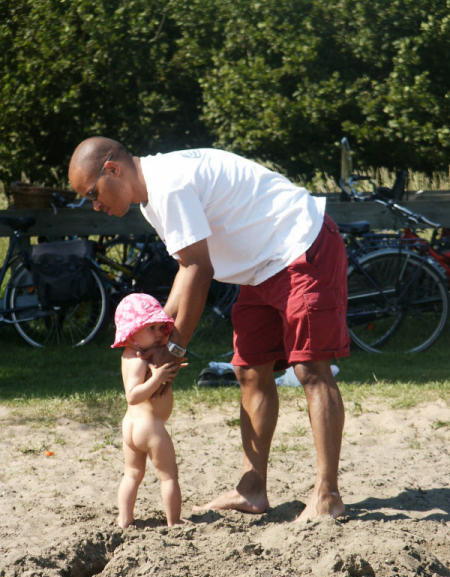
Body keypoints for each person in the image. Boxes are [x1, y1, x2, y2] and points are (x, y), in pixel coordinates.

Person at [69, 137, 349, 521]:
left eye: (92, 193)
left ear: (112, 169)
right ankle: (252, 489)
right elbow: (186, 268)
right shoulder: (152, 200)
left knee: (311, 369)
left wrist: (174, 348)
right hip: (259, 267)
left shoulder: (170, 184)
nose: (95, 205)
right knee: (249, 371)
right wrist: (157, 332)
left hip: (301, 244)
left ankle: (328, 496)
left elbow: (199, 270)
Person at [112, 292, 185, 528]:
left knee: (132, 474)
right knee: (169, 476)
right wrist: (157, 378)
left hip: (131, 427)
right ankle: (174, 521)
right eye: (151, 328)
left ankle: (125, 519)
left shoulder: (132, 355)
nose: (159, 333)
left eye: (159, 327)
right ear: (132, 335)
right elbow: (132, 395)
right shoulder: (138, 359)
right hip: (150, 426)